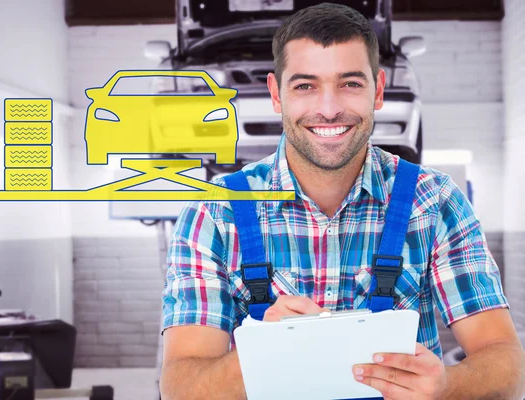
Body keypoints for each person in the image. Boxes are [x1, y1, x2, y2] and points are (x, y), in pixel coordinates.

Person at [159, 3, 525, 399]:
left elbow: (505, 364)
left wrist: (449, 385)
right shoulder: (215, 214)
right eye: (305, 86)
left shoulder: (434, 201)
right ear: (276, 95)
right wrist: (260, 349)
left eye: (350, 83)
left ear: (379, 90)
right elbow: (182, 388)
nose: (329, 108)